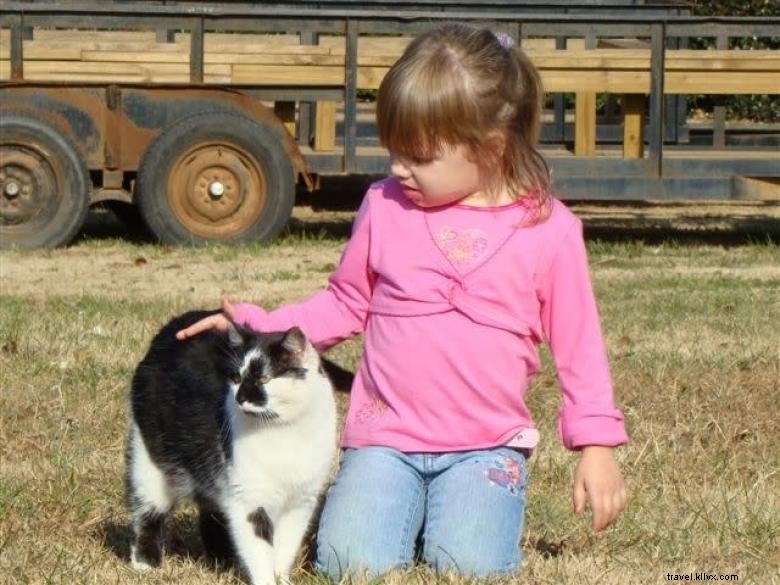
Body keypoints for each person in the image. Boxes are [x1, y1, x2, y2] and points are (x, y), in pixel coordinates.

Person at [177, 24, 628, 581]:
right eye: (393, 149)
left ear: (491, 147)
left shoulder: (548, 232)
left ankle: (453, 511)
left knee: (470, 567)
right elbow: (343, 303)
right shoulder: (385, 208)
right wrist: (256, 325)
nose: (396, 168)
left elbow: (579, 347)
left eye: (417, 156)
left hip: (484, 447)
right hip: (384, 440)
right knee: (348, 563)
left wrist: (598, 445)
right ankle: (397, 505)